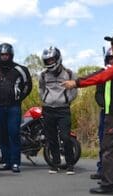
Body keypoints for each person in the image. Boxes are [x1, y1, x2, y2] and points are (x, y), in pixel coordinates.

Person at [62, 30, 113, 194]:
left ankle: (108, 185)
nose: (111, 47)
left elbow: (102, 75)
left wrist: (76, 83)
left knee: (110, 150)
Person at [0, 43, 32, 173]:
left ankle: (15, 163)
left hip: (14, 106)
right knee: (3, 134)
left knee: (14, 133)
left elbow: (28, 85)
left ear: (11, 55)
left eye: (6, 55)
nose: (4, 57)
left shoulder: (21, 69)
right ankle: (6, 161)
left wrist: (19, 98)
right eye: (2, 55)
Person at [38, 46, 78, 175]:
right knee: (51, 138)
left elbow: (74, 90)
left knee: (65, 137)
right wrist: (46, 99)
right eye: (47, 61)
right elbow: (41, 89)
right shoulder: (43, 75)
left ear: (58, 58)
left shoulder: (69, 73)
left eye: (51, 60)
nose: (50, 63)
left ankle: (70, 164)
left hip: (63, 110)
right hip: (48, 109)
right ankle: (55, 164)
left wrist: (66, 100)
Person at [90, 48, 113, 180]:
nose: (111, 60)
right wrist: (104, 104)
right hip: (106, 112)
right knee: (104, 141)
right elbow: (98, 93)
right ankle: (102, 169)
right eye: (109, 58)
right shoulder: (102, 74)